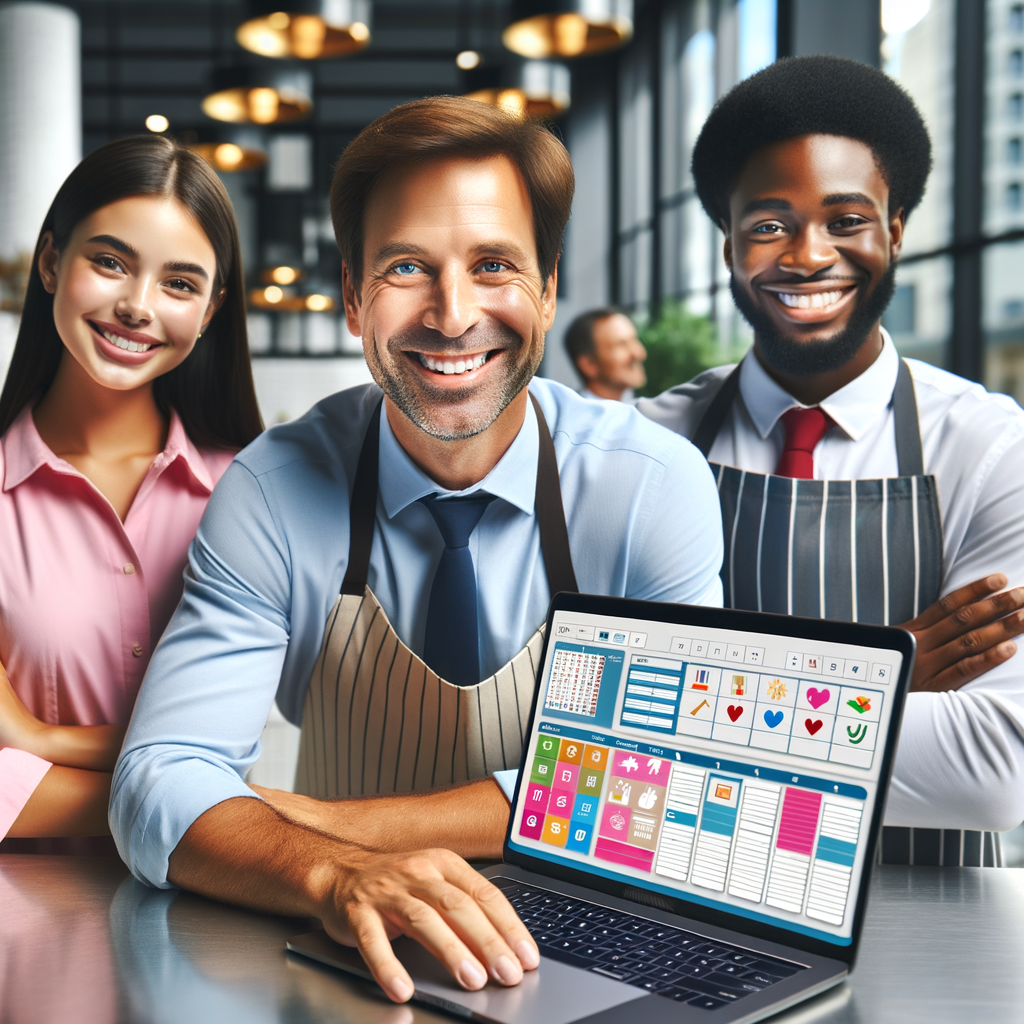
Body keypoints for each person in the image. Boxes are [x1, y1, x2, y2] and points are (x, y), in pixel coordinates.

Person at [110, 97, 724, 1002]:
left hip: (596, 958)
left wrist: (324, 821)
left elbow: (668, 784)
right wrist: (332, 871)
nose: (452, 313)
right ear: (354, 293)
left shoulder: (648, 485)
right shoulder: (274, 488)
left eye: (493, 265)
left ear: (548, 288)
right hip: (345, 963)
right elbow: (158, 780)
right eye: (407, 267)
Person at [639, 55, 1024, 866]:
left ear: (896, 231)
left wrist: (704, 713)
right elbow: (604, 737)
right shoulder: (648, 444)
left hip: (934, 921)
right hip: (698, 907)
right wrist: (882, 669)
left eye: (846, 220)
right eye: (770, 225)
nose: (809, 257)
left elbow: (991, 770)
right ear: (730, 244)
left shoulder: (993, 448)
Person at [0, 135, 262, 847]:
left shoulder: (253, 490)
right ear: (52, 263)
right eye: (110, 262)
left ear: (209, 312)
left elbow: (233, 745)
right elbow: (212, 774)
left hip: (217, 908)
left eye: (179, 283)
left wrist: (37, 737)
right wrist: (199, 801)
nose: (137, 307)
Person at [564, 307, 647, 402]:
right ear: (589, 364)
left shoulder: (643, 412)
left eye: (635, 340)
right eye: (621, 345)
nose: (640, 353)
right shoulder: (573, 415)